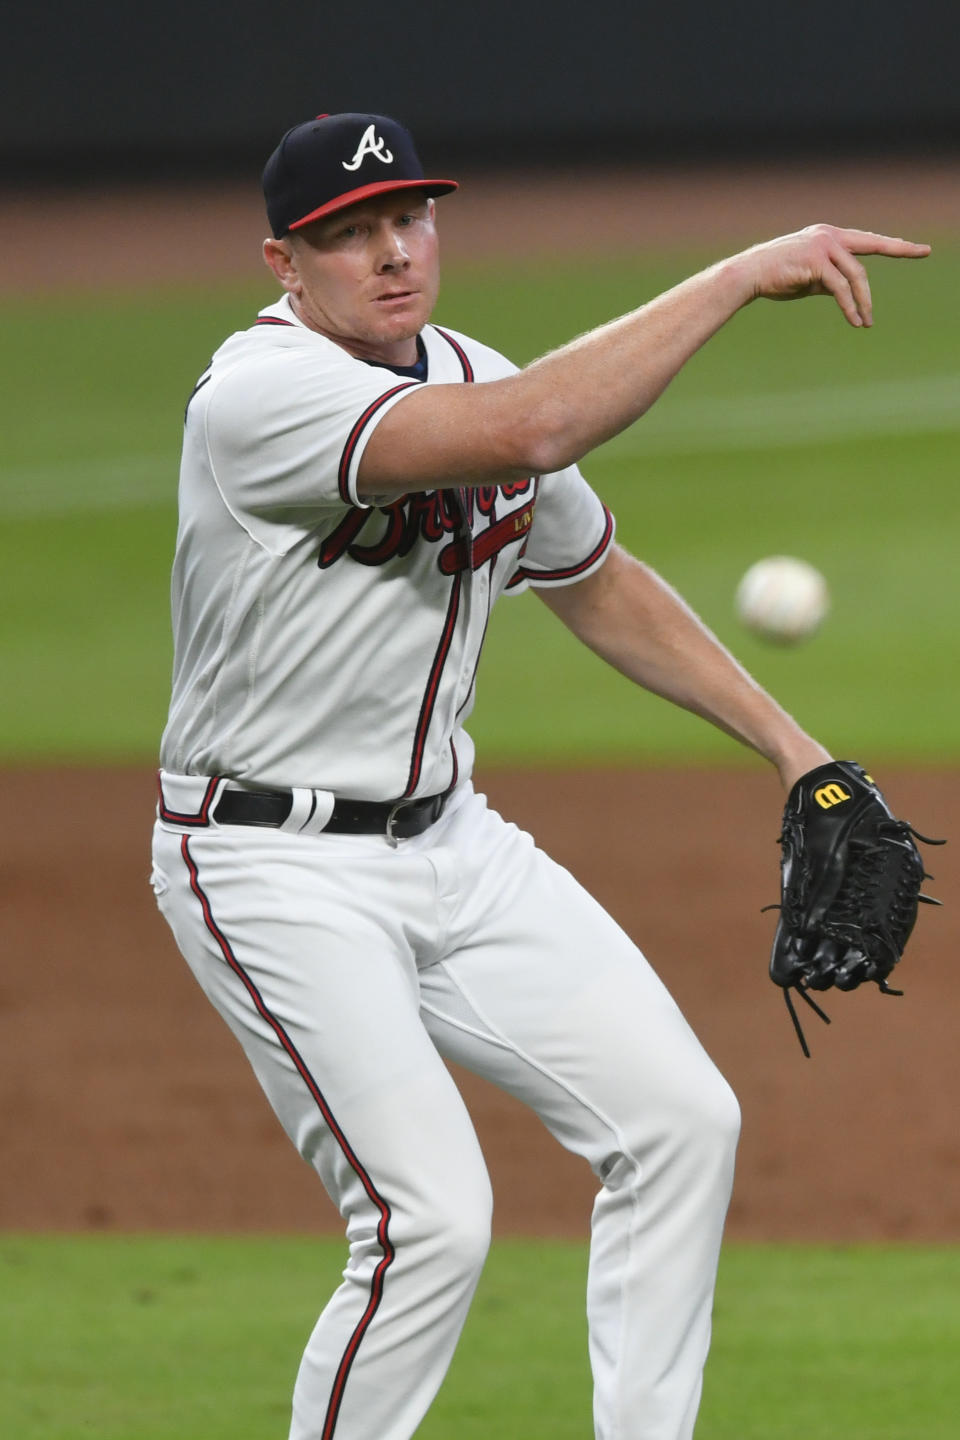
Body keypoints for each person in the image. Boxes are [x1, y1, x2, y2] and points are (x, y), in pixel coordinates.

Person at [150, 111, 929, 1440]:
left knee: (681, 1123)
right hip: (269, 861)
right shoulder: (258, 398)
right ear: (286, 263)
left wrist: (799, 753)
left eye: (410, 219)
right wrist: (742, 272)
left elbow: (595, 581)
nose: (393, 253)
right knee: (428, 1221)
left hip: (456, 844)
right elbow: (540, 427)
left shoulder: (463, 367)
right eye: (350, 237)